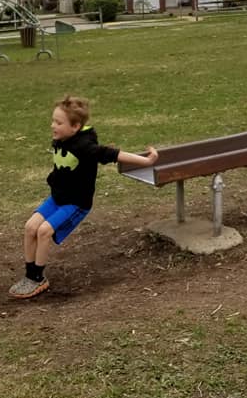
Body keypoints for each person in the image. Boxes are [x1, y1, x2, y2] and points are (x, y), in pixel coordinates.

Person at [9, 94, 158, 299]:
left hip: (76, 203)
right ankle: (29, 275)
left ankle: (38, 278)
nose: (53, 126)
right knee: (30, 227)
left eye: (58, 123)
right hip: (57, 198)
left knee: (44, 231)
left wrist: (146, 161)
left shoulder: (85, 147)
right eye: (53, 120)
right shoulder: (61, 139)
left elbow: (113, 154)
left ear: (75, 127)